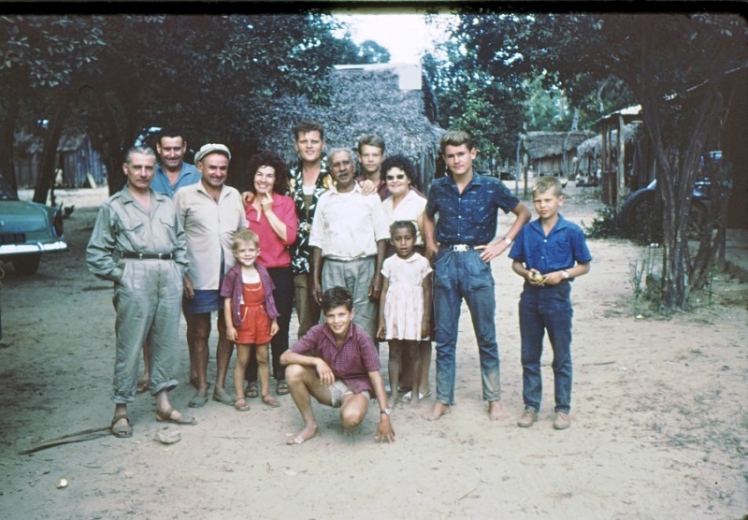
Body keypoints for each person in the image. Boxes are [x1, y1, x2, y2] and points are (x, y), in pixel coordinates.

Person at [86, 146, 196, 438]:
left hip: (167, 275)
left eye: (149, 168)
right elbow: (96, 253)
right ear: (126, 169)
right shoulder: (114, 206)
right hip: (133, 274)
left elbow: (180, 240)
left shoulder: (165, 202)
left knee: (166, 342)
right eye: (137, 167)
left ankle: (163, 402)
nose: (144, 173)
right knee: (130, 345)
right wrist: (121, 275)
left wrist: (179, 269)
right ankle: (120, 410)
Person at [423, 130, 531, 421]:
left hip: (476, 261)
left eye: (461, 154)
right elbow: (427, 216)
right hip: (446, 261)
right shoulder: (438, 187)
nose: (456, 160)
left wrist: (503, 243)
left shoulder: (492, 187)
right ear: (444, 158)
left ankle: (493, 397)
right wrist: (431, 243)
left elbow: (524, 212)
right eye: (450, 155)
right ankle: (443, 398)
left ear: (473, 153)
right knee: (445, 337)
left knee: (486, 334)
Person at [508, 176, 591, 430]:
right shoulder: (527, 231)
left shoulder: (572, 232)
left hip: (558, 300)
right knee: (530, 355)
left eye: (548, 200)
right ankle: (531, 406)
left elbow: (584, 265)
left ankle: (562, 408)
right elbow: (516, 263)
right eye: (538, 201)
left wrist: (563, 274)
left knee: (561, 356)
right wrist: (527, 274)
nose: (543, 206)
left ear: (559, 200)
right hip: (530, 301)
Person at [174, 143, 248, 408]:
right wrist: (183, 274)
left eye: (222, 168)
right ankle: (202, 386)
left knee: (228, 331)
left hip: (230, 276)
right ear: (200, 167)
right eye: (212, 167)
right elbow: (175, 236)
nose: (217, 173)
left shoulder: (233, 194)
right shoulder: (184, 195)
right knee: (200, 332)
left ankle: (220, 386)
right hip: (198, 274)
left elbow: (243, 233)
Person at [280, 286, 395, 445]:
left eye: (342, 315)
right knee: (292, 371)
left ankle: (349, 406)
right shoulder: (318, 332)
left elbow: (375, 376)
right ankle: (310, 426)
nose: (336, 321)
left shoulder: (362, 337)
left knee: (350, 418)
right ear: (325, 316)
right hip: (329, 384)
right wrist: (316, 361)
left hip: (357, 387)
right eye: (331, 316)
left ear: (351, 314)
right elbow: (285, 357)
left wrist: (385, 414)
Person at [137, 127, 201, 394]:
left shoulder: (197, 175)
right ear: (159, 149)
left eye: (177, 148)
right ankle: (150, 372)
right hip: (157, 258)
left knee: (196, 320)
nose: (172, 154)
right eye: (167, 149)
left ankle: (196, 371)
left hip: (193, 257)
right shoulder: (147, 174)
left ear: (185, 147)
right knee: (152, 321)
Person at [309, 148, 390, 342]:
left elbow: (381, 238)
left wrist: (378, 276)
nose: (342, 168)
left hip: (365, 267)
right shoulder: (324, 200)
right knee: (334, 322)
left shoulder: (370, 196)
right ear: (330, 170)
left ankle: (365, 370)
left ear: (354, 166)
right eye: (336, 165)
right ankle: (337, 371)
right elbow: (317, 242)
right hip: (333, 268)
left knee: (364, 323)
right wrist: (316, 280)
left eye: (346, 163)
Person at [241, 151, 298, 398]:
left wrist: (269, 210)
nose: (263, 179)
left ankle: (280, 374)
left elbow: (289, 237)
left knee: (280, 324)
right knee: (251, 324)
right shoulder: (242, 204)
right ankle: (252, 378)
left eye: (270, 176)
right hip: (251, 272)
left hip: (279, 272)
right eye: (259, 174)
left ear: (277, 180)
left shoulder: (285, 203)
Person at [380, 154, 432, 402]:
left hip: (415, 263)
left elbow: (429, 241)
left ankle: (420, 385)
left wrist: (425, 269)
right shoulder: (384, 203)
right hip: (392, 265)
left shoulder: (420, 203)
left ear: (409, 177)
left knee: (418, 330)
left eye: (400, 176)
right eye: (390, 177)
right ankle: (401, 382)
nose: (395, 180)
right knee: (398, 326)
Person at [220, 230, 281, 411]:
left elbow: (269, 298)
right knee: (242, 359)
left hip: (262, 318)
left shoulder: (262, 272)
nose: (247, 254)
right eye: (243, 251)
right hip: (243, 318)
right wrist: (230, 326)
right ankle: (240, 396)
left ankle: (265, 393)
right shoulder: (233, 275)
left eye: (251, 250)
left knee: (263, 357)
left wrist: (274, 321)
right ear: (236, 253)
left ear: (258, 251)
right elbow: (227, 301)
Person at [377, 221, 432, 407]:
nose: (403, 243)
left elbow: (427, 292)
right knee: (394, 353)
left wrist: (425, 320)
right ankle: (393, 393)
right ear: (392, 241)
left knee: (413, 352)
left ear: (414, 239)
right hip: (394, 312)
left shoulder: (422, 262)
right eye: (398, 239)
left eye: (407, 238)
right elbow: (384, 292)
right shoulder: (389, 263)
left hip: (414, 314)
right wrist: (381, 321)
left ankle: (415, 392)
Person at [355, 134, 389, 200]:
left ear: (383, 158)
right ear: (359, 158)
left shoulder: (392, 182)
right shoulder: (355, 184)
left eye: (375, 155)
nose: (370, 159)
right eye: (366, 155)